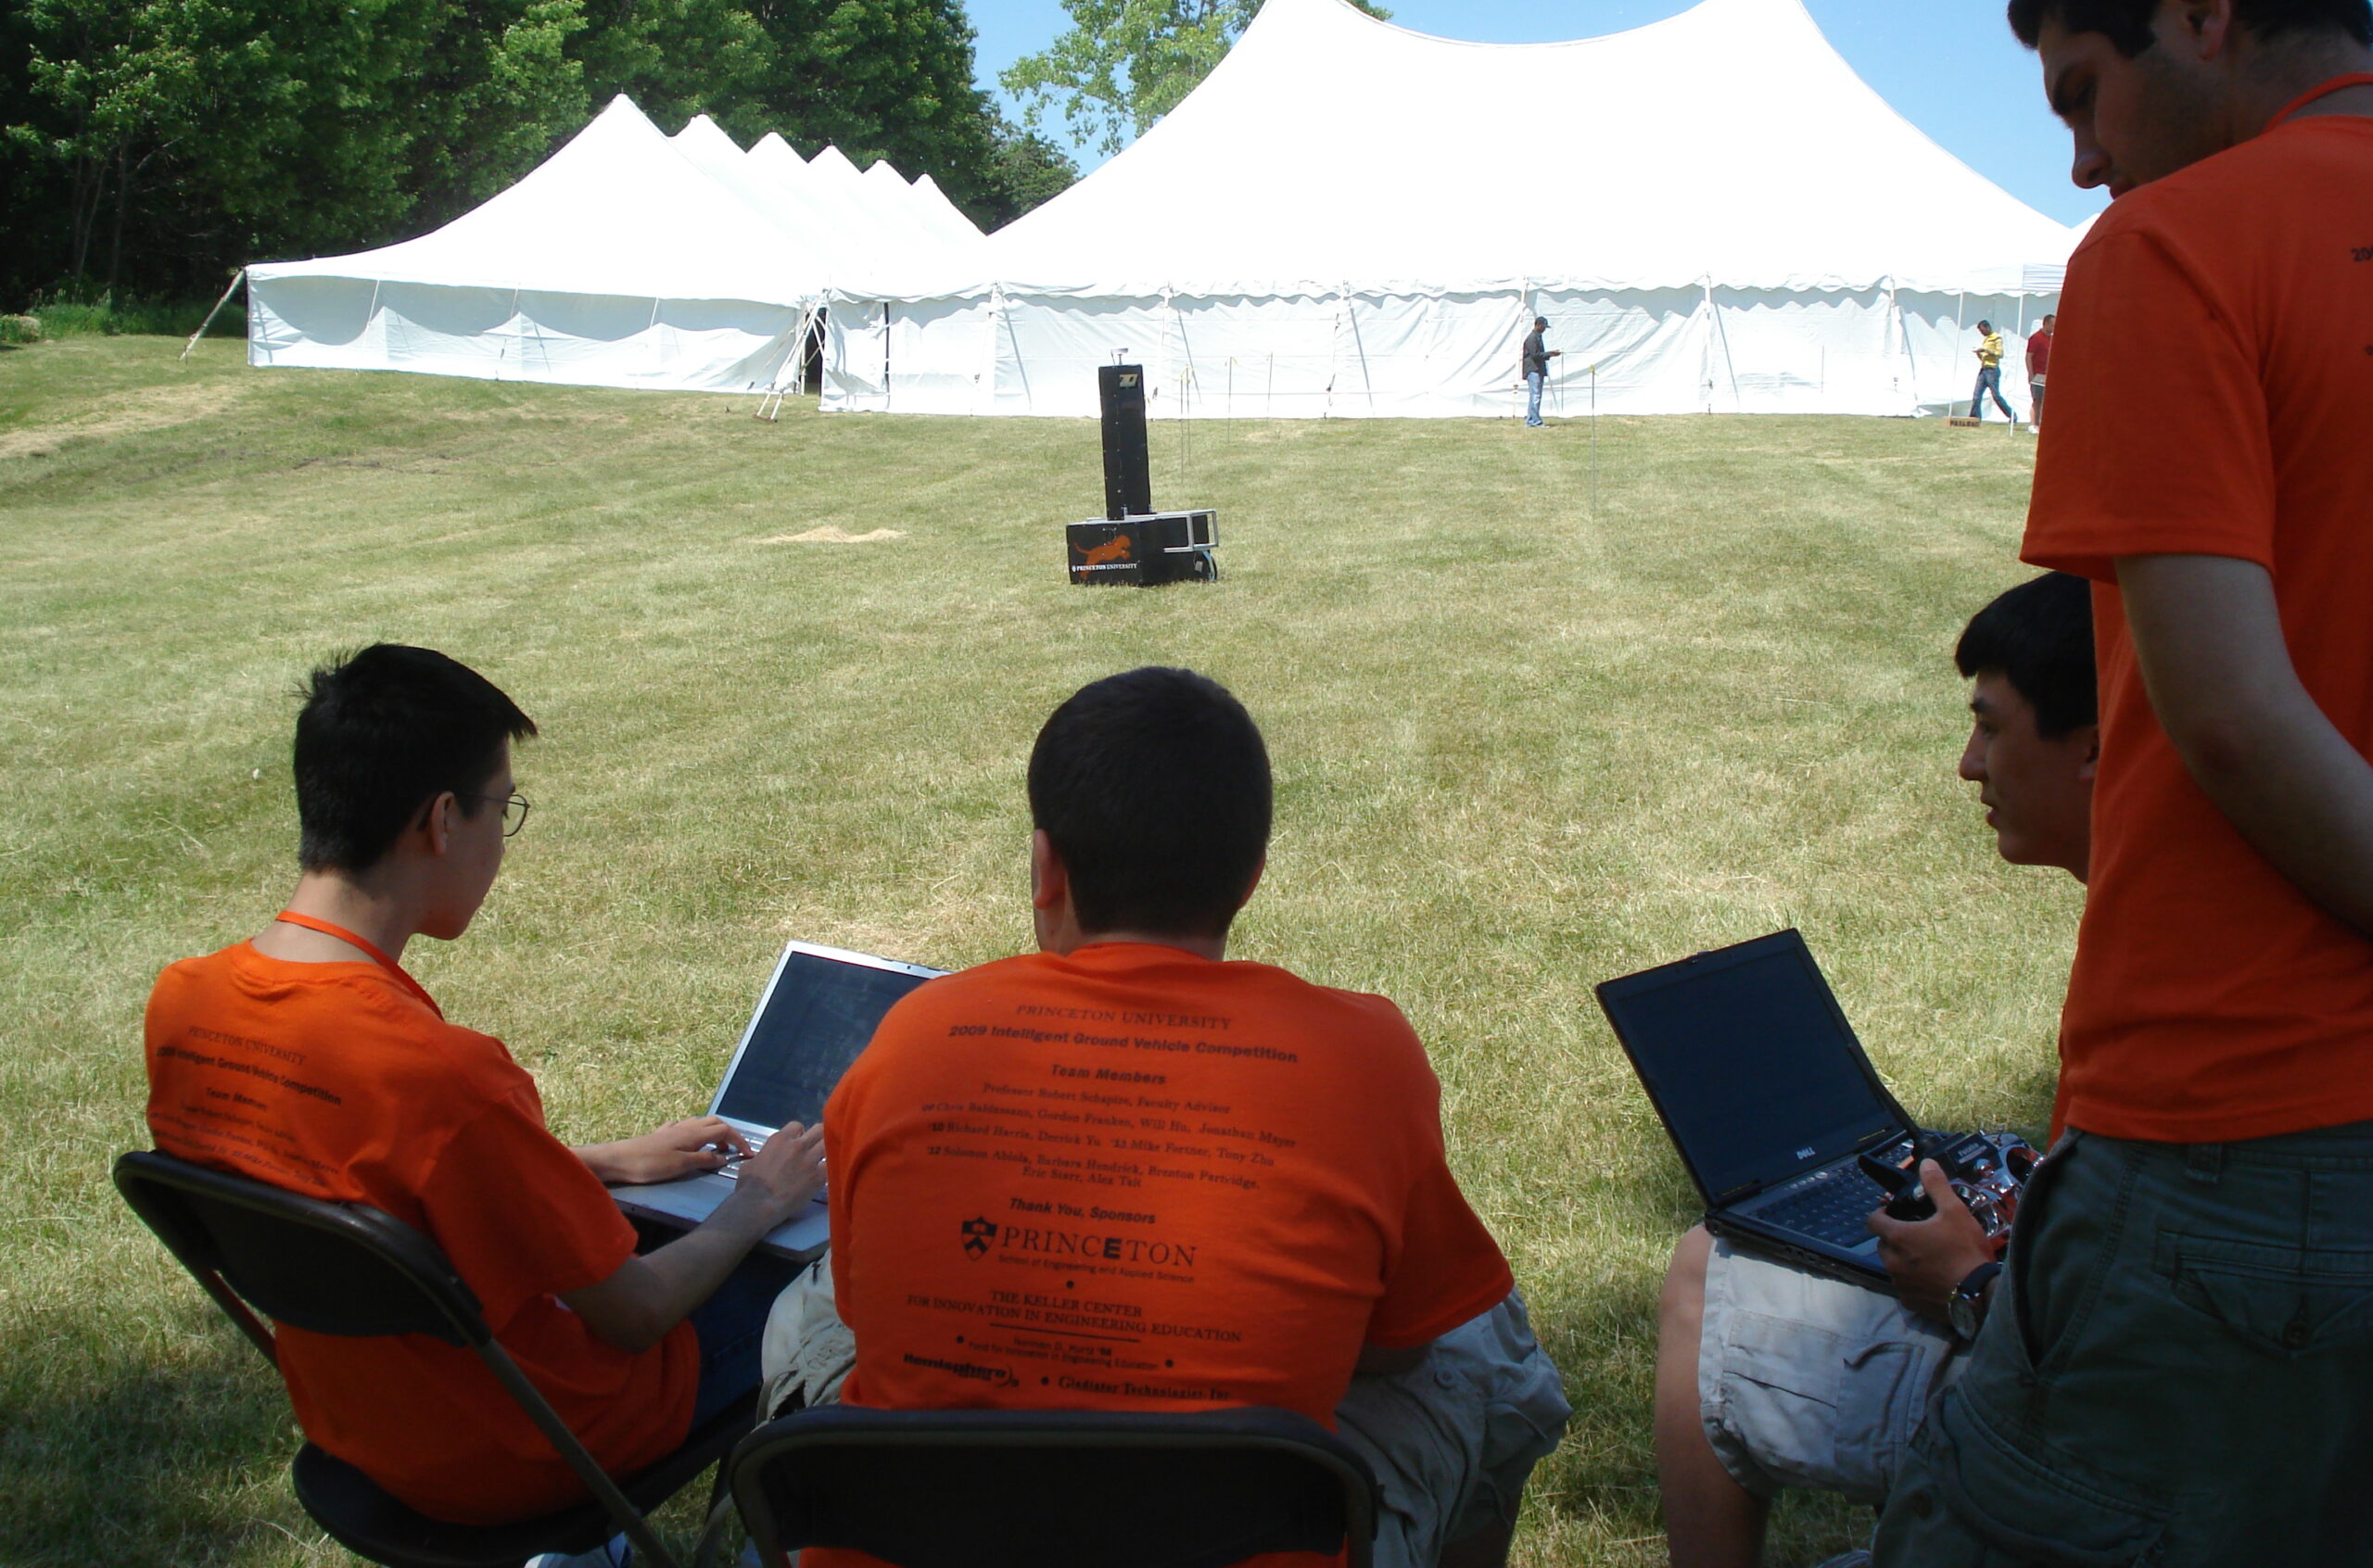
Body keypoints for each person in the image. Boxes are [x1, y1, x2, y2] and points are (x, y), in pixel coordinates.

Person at [1872, 0, 2373, 1566]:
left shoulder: (2174, 253)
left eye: (2086, 96)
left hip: (2242, 1131)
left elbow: (2229, 718)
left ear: (2198, 6)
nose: (2087, 166)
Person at [762, 667, 1570, 1568]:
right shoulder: (1364, 1053)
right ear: (1252, 876)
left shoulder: (911, 1034)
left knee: (811, 1296)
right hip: (1238, 1530)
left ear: (1045, 867)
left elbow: (872, 1315)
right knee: (1484, 1335)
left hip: (918, 1540)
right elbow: (1394, 1353)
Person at [143, 645, 827, 1525]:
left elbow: (368, 1188)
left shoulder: (184, 1005)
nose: (502, 838)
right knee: (831, 1275)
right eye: (503, 809)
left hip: (362, 1430)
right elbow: (634, 1314)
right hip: (534, 1451)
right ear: (440, 820)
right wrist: (757, 1204)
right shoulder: (443, 1076)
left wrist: (605, 1164)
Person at [1654, 574, 2098, 1568]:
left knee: (1702, 1270)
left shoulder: (2158, 976)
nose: (1966, 764)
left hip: (2076, 1445)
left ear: (2094, 745)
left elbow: (2116, 1362)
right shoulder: (2186, 922)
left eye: (1990, 727)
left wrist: (1970, 1285)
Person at [1519, 315, 1560, 427]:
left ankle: (1531, 419)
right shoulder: (1532, 338)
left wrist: (1550, 354)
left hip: (1538, 370)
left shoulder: (1538, 337)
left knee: (1535, 395)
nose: (1544, 329)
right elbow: (1535, 355)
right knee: (1535, 396)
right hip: (1533, 370)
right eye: (1543, 326)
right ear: (1537, 325)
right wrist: (1550, 353)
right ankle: (1535, 421)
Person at [1967, 322, 2011, 421]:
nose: (1981, 333)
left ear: (1987, 327)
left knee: (1996, 396)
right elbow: (1984, 358)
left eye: (1982, 330)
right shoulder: (1986, 340)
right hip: (1984, 369)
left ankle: (2011, 415)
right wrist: (1979, 353)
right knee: (1976, 395)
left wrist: (1986, 350)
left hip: (1992, 370)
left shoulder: (1996, 338)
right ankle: (1974, 418)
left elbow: (2000, 354)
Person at [2024, 312, 2056, 427]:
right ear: (2046, 324)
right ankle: (2033, 424)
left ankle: (2040, 423)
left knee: (2045, 401)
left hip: (2048, 374)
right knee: (2037, 400)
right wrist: (2031, 374)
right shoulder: (2036, 338)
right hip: (2038, 374)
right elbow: (2028, 356)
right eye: (2052, 325)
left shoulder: (2052, 339)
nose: (2054, 328)